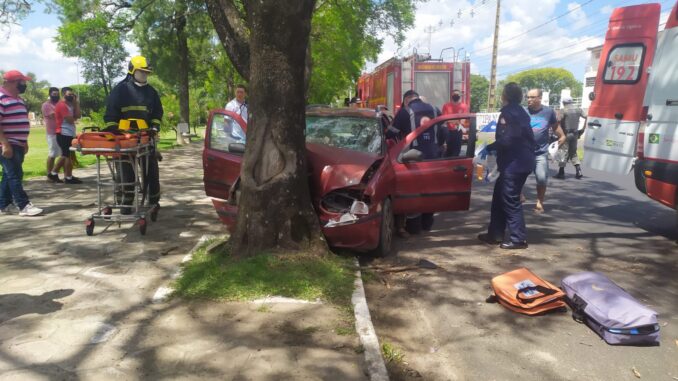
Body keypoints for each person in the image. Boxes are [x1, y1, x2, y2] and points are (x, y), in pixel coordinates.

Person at [478, 83, 535, 250]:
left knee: (510, 200)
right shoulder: (520, 111)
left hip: (514, 164)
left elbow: (509, 139)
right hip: (519, 161)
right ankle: (494, 234)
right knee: (498, 198)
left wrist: (490, 148)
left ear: (506, 96)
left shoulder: (508, 112)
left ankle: (518, 240)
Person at [104, 55, 163, 214]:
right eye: (141, 72)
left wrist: (155, 127)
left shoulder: (152, 92)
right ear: (132, 71)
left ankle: (153, 200)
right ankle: (127, 202)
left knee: (151, 170)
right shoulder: (120, 90)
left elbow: (157, 113)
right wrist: (114, 130)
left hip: (145, 138)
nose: (144, 75)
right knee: (125, 171)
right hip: (124, 139)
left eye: (146, 72)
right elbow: (110, 114)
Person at [388, 90, 446, 236]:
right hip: (433, 158)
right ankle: (427, 223)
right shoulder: (434, 109)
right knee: (430, 190)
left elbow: (390, 133)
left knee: (414, 191)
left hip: (412, 158)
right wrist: (438, 145)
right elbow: (445, 131)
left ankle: (414, 227)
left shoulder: (405, 111)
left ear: (407, 99)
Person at [0, 70, 43, 216]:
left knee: (8, 175)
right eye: (21, 82)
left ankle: (4, 204)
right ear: (11, 82)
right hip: (7, 144)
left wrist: (24, 141)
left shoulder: (19, 99)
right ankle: (23, 205)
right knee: (15, 174)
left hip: (18, 143)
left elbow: (21, 121)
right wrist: (5, 144)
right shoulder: (1, 98)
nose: (24, 84)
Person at [526, 88, 565, 213]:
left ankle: (539, 202)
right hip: (524, 152)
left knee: (542, 178)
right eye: (528, 97)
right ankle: (518, 196)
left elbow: (556, 128)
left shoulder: (548, 112)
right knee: (516, 177)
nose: (529, 100)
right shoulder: (523, 111)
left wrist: (561, 139)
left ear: (539, 98)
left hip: (540, 153)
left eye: (532, 97)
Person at [53, 87, 82, 184]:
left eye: (72, 95)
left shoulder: (71, 105)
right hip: (62, 133)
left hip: (70, 133)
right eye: (69, 94)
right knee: (66, 155)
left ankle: (67, 176)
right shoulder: (61, 105)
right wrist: (74, 117)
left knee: (68, 155)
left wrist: (76, 103)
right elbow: (70, 120)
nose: (71, 96)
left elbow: (78, 115)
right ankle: (54, 173)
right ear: (63, 94)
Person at [556, 96, 586, 179]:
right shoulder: (578, 109)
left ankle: (561, 172)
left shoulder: (563, 110)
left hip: (566, 134)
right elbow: (587, 116)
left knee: (563, 152)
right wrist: (583, 129)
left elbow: (558, 121)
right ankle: (578, 170)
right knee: (573, 152)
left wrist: (559, 133)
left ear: (564, 102)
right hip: (575, 134)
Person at [442, 90, 469, 157]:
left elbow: (463, 120)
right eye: (454, 95)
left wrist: (450, 119)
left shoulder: (464, 106)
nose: (455, 96)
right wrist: (457, 121)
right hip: (448, 131)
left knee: (456, 151)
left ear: (460, 96)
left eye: (457, 95)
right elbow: (445, 119)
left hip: (458, 131)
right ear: (451, 96)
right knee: (448, 150)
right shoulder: (446, 106)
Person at [43, 87, 62, 183]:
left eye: (57, 94)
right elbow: (53, 116)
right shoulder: (46, 105)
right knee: (53, 154)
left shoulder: (59, 104)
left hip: (61, 132)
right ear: (50, 94)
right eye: (54, 94)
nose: (56, 96)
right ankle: (49, 175)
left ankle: (55, 174)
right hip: (52, 133)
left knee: (64, 154)